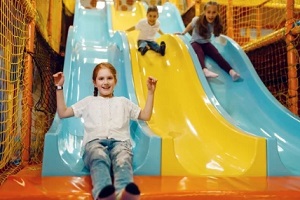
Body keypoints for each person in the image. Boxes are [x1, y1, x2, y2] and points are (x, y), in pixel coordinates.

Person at [53, 62, 158, 200]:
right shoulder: (88, 102)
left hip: (120, 142)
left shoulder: (123, 102)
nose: (106, 82)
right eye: (101, 79)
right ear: (94, 82)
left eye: (109, 78)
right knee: (98, 156)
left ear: (115, 80)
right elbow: (63, 112)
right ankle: (103, 193)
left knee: (123, 158)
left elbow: (145, 115)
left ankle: (123, 193)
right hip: (94, 143)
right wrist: (59, 87)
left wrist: (151, 92)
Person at [177, 1, 240, 81]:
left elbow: (218, 32)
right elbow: (190, 25)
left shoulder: (216, 22)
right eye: (209, 12)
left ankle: (231, 72)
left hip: (206, 43)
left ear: (217, 12)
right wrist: (183, 32)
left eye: (214, 12)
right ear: (205, 12)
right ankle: (204, 70)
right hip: (195, 42)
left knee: (216, 54)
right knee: (199, 53)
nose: (211, 15)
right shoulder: (197, 20)